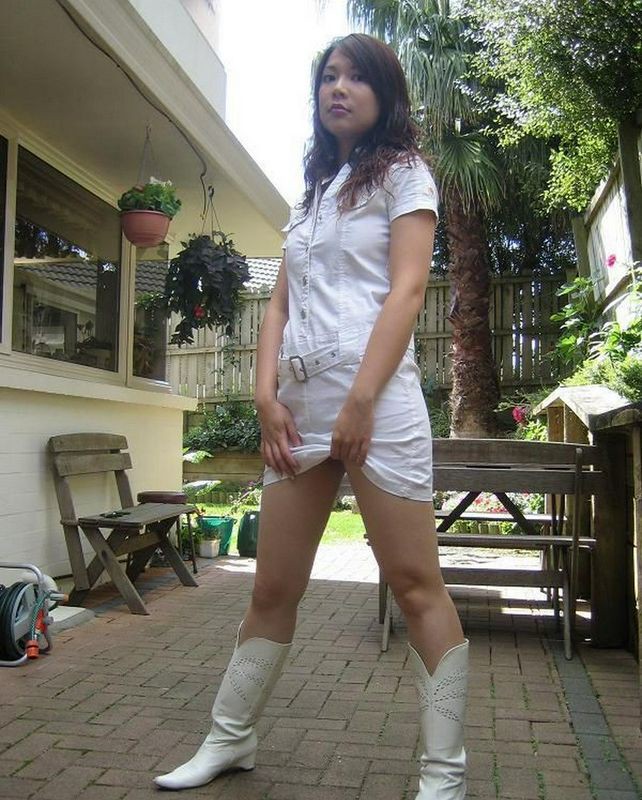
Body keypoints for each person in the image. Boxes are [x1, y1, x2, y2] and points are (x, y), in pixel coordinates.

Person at [154, 33, 468, 799]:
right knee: (272, 587)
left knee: (415, 584)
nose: (338, 87)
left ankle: (445, 774)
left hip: (377, 403)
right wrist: (265, 396)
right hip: (299, 410)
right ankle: (230, 739)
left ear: (384, 95)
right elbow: (279, 306)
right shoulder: (313, 194)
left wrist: (361, 400)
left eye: (356, 77)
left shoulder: (406, 173)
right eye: (329, 76)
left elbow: (408, 291)